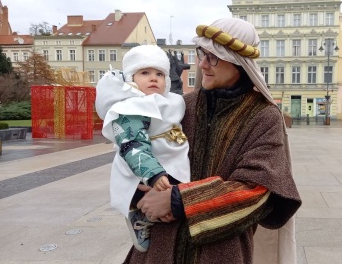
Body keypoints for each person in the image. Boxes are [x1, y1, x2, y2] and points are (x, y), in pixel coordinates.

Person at [124, 18, 302, 264]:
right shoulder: (181, 105)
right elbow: (141, 150)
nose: (203, 64)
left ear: (239, 63)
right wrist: (140, 192)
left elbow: (257, 190)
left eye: (214, 57)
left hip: (220, 251)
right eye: (202, 54)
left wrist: (178, 201)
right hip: (159, 249)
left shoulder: (263, 116)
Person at [95, 45, 190, 253]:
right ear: (131, 78)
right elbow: (132, 143)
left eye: (159, 74)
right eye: (145, 73)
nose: (153, 78)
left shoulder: (171, 101)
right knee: (147, 191)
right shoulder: (130, 106)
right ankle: (139, 215)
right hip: (141, 165)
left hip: (168, 155)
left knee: (171, 191)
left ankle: (162, 210)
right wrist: (152, 173)